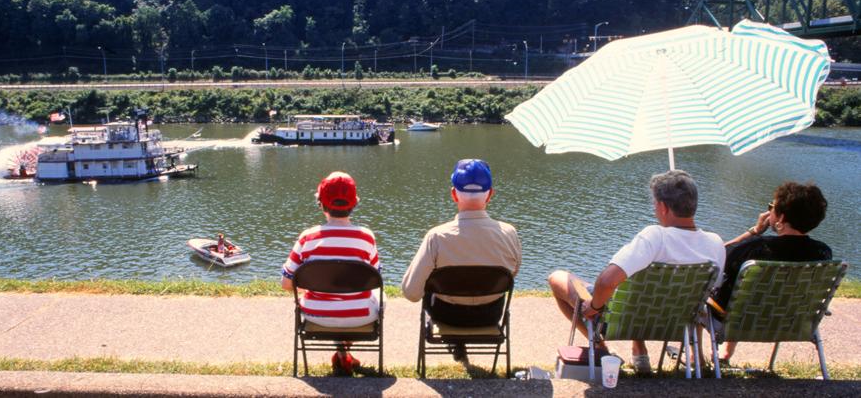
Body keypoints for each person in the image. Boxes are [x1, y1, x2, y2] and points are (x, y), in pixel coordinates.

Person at [548, 170, 725, 374]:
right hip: (678, 324)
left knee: (557, 278)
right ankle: (638, 350)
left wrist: (595, 306)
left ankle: (600, 347)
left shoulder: (655, 237)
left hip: (628, 322)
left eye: (654, 203)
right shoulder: (715, 243)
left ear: (663, 207)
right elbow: (709, 292)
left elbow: (606, 282)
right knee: (644, 285)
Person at [401, 159, 521, 361]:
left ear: (454, 194)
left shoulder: (437, 237)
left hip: (447, 315)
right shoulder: (509, 234)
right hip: (490, 315)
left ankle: (456, 341)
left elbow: (411, 292)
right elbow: (512, 273)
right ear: (490, 194)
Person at [713, 182, 831, 363]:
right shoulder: (823, 254)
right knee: (750, 291)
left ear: (781, 218)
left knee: (732, 294)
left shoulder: (757, 248)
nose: (768, 212)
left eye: (771, 207)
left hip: (740, 321)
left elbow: (716, 255)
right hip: (791, 323)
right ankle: (726, 352)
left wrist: (754, 231)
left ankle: (694, 358)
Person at [281, 171, 380, 375]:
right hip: (360, 316)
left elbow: (286, 284)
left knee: (330, 299)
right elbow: (377, 280)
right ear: (355, 204)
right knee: (379, 294)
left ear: (320, 204)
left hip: (316, 315)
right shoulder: (366, 237)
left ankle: (341, 352)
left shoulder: (307, 238)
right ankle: (344, 351)